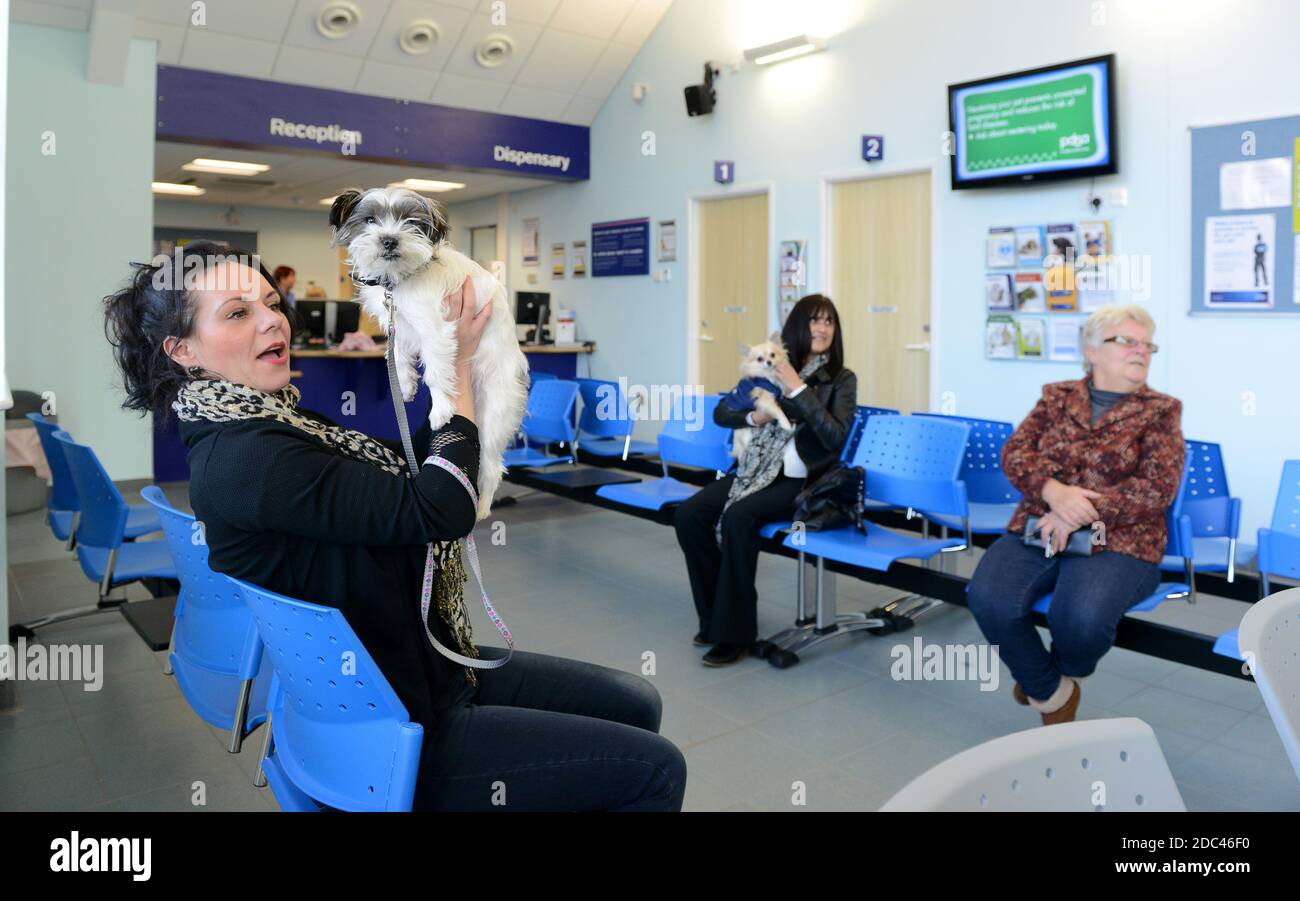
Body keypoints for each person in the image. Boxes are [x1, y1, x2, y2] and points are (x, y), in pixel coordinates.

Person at [103, 241, 685, 811]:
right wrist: (451, 365)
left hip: (422, 665)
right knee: (656, 768)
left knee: (634, 700)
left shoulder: (269, 421)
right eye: (237, 313)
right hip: (396, 723)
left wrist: (474, 376)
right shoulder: (251, 458)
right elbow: (439, 508)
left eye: (271, 303)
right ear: (184, 352)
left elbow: (408, 463)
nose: (272, 322)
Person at [966, 305, 1184, 726]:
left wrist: (1076, 510)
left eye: (1148, 344)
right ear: (1092, 350)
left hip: (1121, 539)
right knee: (988, 598)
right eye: (1128, 341)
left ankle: (1049, 675)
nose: (1142, 351)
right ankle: (1050, 691)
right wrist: (1053, 492)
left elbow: (1158, 488)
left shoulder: (1161, 411)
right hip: (1039, 522)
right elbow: (1015, 453)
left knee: (1080, 618)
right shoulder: (1055, 397)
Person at [675, 295, 858, 666]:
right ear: (797, 328)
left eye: (829, 322)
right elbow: (723, 412)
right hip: (756, 469)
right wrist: (753, 419)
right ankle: (715, 619)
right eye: (814, 321)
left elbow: (835, 437)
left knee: (738, 517)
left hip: (802, 479)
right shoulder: (763, 364)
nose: (822, 329)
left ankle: (735, 634)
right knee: (690, 514)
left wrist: (797, 389)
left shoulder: (840, 379)